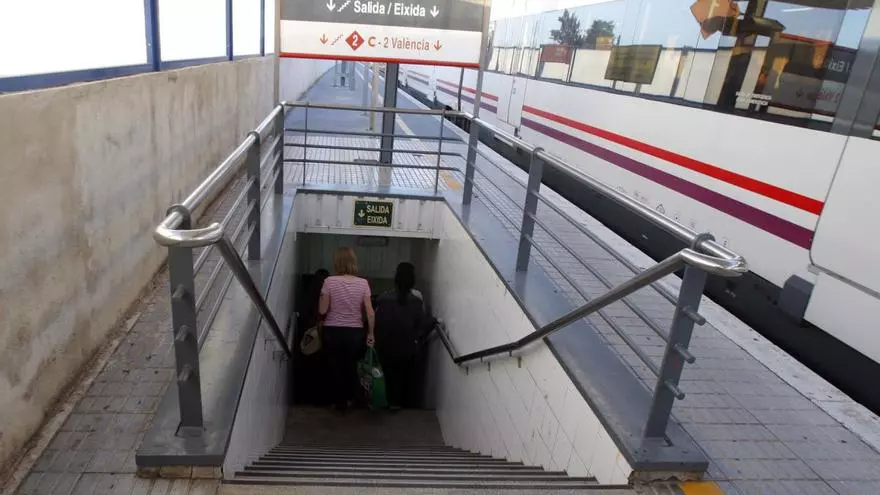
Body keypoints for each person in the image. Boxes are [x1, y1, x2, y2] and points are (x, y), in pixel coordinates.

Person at [319, 247, 374, 411]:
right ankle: (353, 400)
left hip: (332, 330)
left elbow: (322, 310)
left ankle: (339, 403)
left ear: (336, 262)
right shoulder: (363, 283)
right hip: (354, 332)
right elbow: (370, 312)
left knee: (335, 367)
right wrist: (371, 333)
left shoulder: (329, 281)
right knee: (351, 366)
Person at [374, 262, 428, 410]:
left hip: (384, 346)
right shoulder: (416, 302)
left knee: (386, 374)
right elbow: (421, 326)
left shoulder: (383, 299)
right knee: (401, 377)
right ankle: (396, 404)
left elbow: (376, 322)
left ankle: (383, 402)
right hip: (406, 348)